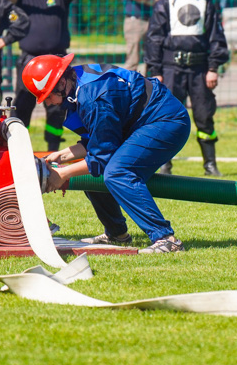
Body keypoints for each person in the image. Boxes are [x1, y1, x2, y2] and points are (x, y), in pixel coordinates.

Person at [22, 54, 190, 254]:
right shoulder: (78, 83)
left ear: (62, 82)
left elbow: (102, 155)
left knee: (118, 172)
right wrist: (62, 155)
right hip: (140, 122)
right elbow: (99, 139)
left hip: (165, 121)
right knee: (91, 170)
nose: (48, 103)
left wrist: (63, 175)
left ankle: (165, 238)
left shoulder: (93, 97)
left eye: (48, 95)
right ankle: (117, 233)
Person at [145, 0, 229, 176]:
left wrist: (213, 68)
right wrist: (156, 71)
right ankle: (164, 164)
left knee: (204, 116)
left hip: (200, 70)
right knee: (167, 116)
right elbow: (154, 39)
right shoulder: (164, 5)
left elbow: (216, 38)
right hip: (171, 69)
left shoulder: (205, 3)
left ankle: (210, 164)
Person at [0, 0, 85, 151]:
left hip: (57, 62)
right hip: (30, 61)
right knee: (23, 106)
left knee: (57, 107)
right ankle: (21, 149)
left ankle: (52, 148)